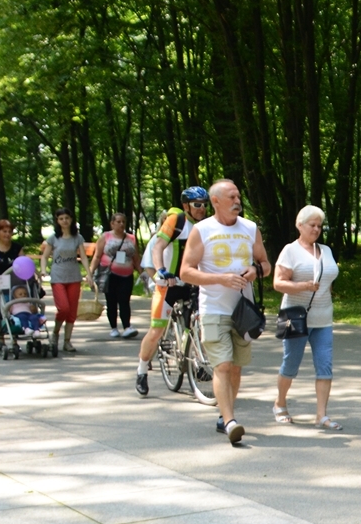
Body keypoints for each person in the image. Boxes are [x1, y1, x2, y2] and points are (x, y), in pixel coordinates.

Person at [179, 180, 271, 444]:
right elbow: (186, 272)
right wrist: (221, 279)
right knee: (223, 365)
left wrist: (255, 270)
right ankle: (231, 422)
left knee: (236, 368)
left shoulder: (250, 228)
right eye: (232, 197)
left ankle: (224, 415)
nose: (237, 201)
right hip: (214, 308)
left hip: (243, 311)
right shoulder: (202, 230)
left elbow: (266, 265)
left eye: (238, 196)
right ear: (216, 201)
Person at [134, 188, 210, 396]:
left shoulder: (206, 225)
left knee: (201, 324)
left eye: (205, 205)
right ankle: (142, 370)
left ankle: (196, 362)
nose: (202, 209)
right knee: (156, 330)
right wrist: (161, 270)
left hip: (193, 284)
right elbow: (158, 247)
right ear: (186, 206)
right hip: (169, 284)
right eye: (197, 205)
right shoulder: (176, 220)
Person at [272, 205, 342, 429]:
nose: (316, 229)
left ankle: (321, 415)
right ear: (299, 225)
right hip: (294, 315)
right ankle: (280, 403)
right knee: (290, 363)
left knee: (325, 366)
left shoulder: (326, 250)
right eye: (312, 225)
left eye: (319, 226)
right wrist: (303, 286)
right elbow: (278, 283)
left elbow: (328, 280)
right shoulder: (290, 251)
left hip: (323, 318)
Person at [39, 208, 96, 352]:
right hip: (58, 277)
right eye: (61, 219)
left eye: (67, 218)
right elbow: (45, 257)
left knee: (72, 311)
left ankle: (67, 341)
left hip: (74, 277)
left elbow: (83, 257)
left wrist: (89, 274)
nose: (64, 221)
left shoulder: (77, 238)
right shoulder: (53, 238)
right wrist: (44, 270)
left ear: (71, 220)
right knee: (63, 308)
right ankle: (56, 333)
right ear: (57, 221)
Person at [89, 213, 142, 339]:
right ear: (112, 223)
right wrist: (90, 272)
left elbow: (136, 258)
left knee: (124, 300)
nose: (121, 224)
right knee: (111, 301)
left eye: (123, 221)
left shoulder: (131, 238)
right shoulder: (105, 237)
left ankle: (127, 327)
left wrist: (142, 273)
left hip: (127, 275)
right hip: (110, 275)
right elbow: (97, 256)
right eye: (118, 222)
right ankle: (113, 328)